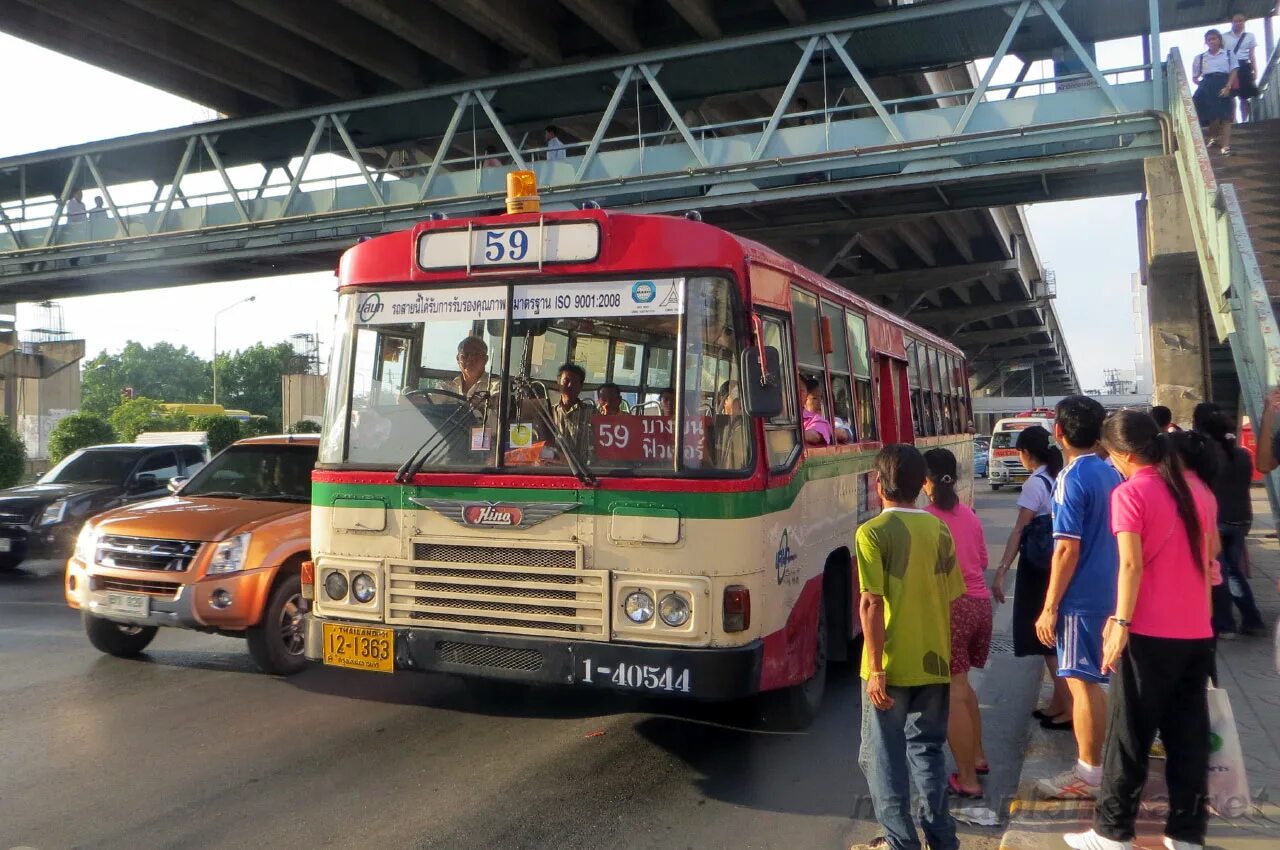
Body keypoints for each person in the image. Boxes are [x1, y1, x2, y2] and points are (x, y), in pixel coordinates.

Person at [1063, 411, 1218, 850]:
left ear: (1124, 454)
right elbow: (1207, 566)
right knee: (1188, 740)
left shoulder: (1130, 493)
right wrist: (1206, 632)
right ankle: (1186, 836)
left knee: (1128, 737)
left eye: (1111, 456)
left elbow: (1130, 565)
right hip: (1195, 633)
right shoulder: (1198, 490)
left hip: (1148, 632)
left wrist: (1120, 623)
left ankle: (1112, 833)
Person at [853, 444, 965, 850]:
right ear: (922, 485)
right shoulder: (940, 529)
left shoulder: (872, 533)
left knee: (880, 759)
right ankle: (942, 839)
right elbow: (950, 594)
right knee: (928, 753)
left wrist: (878, 668)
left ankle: (901, 843)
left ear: (878, 484)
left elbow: (871, 602)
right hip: (934, 661)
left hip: (890, 664)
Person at [1035, 395, 1124, 800]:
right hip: (1110, 594)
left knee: (1082, 684)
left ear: (1059, 432)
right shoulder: (1110, 473)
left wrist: (1050, 606)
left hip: (1082, 600)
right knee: (1094, 684)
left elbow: (1066, 549)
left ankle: (1088, 774)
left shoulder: (1071, 479)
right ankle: (1098, 766)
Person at [923, 448, 993, 800]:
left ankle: (967, 779)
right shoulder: (969, 515)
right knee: (964, 688)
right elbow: (981, 560)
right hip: (981, 607)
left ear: (926, 481)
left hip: (954, 608)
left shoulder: (927, 520)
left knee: (952, 693)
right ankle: (977, 757)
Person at [991, 425, 1072, 728]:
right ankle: (1058, 703)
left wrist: (1001, 570)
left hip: (1037, 568)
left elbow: (1018, 531)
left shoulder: (1035, 484)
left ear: (1026, 453)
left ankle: (1069, 707)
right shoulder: (1059, 476)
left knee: (1046, 642)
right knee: (1051, 639)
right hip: (1058, 564)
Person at [1194, 404, 1267, 638]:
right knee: (1232, 570)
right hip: (1241, 519)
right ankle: (1249, 620)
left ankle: (1228, 623)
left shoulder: (1205, 456)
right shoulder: (1242, 455)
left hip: (1217, 520)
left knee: (1222, 573)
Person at [1191, 29, 1239, 155]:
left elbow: (1233, 71)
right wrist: (1202, 86)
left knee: (1226, 116)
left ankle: (1226, 146)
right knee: (1213, 117)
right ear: (1206, 42)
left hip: (1223, 82)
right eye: (1209, 39)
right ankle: (1213, 138)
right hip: (1207, 83)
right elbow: (1195, 77)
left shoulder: (1228, 54)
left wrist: (1228, 86)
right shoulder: (1201, 58)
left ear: (1219, 40)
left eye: (1214, 38)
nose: (1212, 41)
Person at [1223, 13, 1258, 123]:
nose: (1239, 23)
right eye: (1236, 21)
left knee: (1244, 96)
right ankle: (1234, 120)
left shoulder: (1250, 36)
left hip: (1244, 66)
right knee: (1231, 95)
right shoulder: (1224, 37)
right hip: (1230, 67)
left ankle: (1245, 120)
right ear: (1231, 22)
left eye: (1241, 20)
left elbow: (1252, 55)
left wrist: (1255, 70)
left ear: (1245, 21)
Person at [801, 378, 834, 446]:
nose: (820, 402)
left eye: (821, 398)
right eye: (815, 398)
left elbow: (815, 436)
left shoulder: (817, 419)